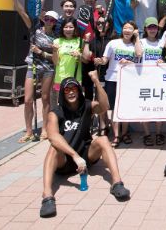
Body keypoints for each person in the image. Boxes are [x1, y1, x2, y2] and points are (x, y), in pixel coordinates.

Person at [39, 76, 130, 218]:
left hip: (85, 155)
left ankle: (117, 183)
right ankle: (47, 195)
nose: (71, 92)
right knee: (53, 147)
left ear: (79, 90)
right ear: (62, 93)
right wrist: (74, 156)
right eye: (67, 90)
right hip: (65, 161)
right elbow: (53, 136)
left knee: (103, 139)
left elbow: (105, 106)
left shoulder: (87, 106)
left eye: (74, 88)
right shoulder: (55, 113)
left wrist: (96, 82)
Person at [9, 0, 57, 143]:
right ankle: (29, 131)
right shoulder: (34, 28)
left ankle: (44, 129)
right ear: (44, 18)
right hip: (33, 66)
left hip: (48, 68)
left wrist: (42, 52)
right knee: (28, 99)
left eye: (52, 20)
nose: (49, 21)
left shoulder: (57, 37)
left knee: (45, 98)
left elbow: (56, 57)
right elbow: (24, 12)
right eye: (47, 18)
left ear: (55, 22)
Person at [96, 20, 143, 147]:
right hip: (112, 79)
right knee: (114, 108)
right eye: (125, 28)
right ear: (121, 30)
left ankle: (125, 133)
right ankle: (116, 135)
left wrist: (137, 38)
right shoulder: (113, 43)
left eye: (130, 28)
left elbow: (139, 55)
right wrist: (100, 61)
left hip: (128, 80)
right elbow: (105, 60)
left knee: (125, 108)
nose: (127, 30)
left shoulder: (137, 44)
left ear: (134, 31)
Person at [51, 17, 91, 110]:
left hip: (75, 78)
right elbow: (55, 62)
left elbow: (86, 60)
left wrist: (79, 56)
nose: (68, 29)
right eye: (66, 27)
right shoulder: (57, 41)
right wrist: (54, 51)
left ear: (75, 28)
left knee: (75, 105)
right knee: (61, 105)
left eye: (71, 27)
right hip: (60, 78)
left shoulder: (80, 41)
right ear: (62, 28)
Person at [139, 17, 165, 146]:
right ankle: (147, 134)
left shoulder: (162, 42)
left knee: (159, 107)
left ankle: (159, 133)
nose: (152, 30)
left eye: (154, 27)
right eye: (150, 27)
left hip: (159, 80)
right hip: (144, 79)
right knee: (145, 107)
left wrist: (162, 61)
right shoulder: (141, 42)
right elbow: (137, 55)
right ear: (145, 29)